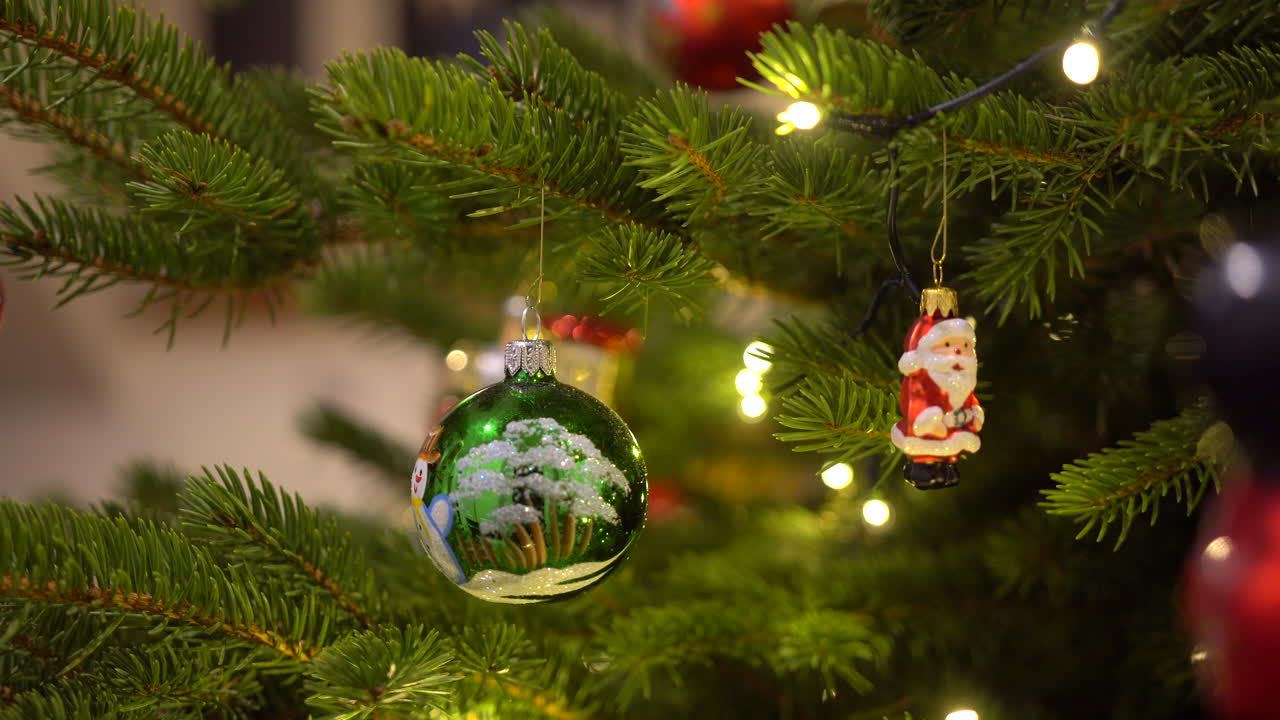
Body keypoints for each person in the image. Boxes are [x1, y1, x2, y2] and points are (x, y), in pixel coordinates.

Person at [890, 313, 983, 489]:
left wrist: (975, 413)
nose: (957, 352)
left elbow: (969, 399)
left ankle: (947, 470)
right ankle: (921, 471)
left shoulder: (965, 379)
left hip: (954, 428)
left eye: (965, 346)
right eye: (947, 345)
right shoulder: (923, 378)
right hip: (926, 427)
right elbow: (914, 401)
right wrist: (928, 418)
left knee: (951, 449)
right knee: (926, 449)